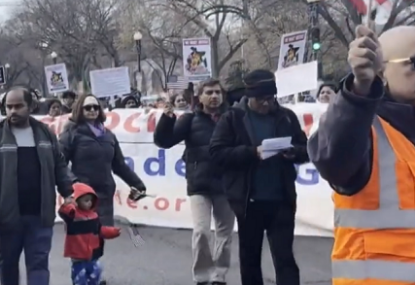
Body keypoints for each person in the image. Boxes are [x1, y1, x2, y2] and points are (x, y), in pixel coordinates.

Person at [308, 25, 415, 284]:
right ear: (381, 71)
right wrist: (359, 90)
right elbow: (333, 160)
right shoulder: (362, 127)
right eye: (413, 63)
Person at [208, 70, 309, 285]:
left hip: (281, 198)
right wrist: (253, 152)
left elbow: (306, 148)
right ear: (249, 97)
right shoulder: (233, 117)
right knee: (250, 259)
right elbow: (217, 153)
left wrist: (295, 153)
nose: (266, 103)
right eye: (261, 99)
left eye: (270, 98)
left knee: (285, 258)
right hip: (249, 201)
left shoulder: (286, 116)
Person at [0, 87, 75, 285]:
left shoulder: (46, 134)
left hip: (40, 214)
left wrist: (68, 193)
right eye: (9, 107)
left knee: (38, 264)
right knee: (8, 263)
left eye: (18, 106)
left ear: (31, 107)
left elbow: (59, 166)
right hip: (6, 215)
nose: (12, 111)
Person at [59, 93, 146, 284]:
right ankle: (82, 278)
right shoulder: (71, 132)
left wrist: (137, 184)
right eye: (87, 107)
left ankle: (93, 275)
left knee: (98, 238)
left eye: (95, 107)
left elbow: (120, 165)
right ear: (79, 110)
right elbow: (60, 162)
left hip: (104, 194)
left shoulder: (108, 135)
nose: (92, 111)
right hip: (82, 197)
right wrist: (74, 184)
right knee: (81, 241)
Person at [154, 79, 234, 285]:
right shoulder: (190, 120)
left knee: (225, 234)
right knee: (201, 232)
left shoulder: (232, 118)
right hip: (200, 184)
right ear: (200, 97)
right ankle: (202, 276)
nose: (214, 96)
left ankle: (219, 276)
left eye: (217, 92)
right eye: (209, 92)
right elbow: (164, 141)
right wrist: (168, 117)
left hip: (227, 183)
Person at [58, 182, 121, 285]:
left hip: (93, 254)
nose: (89, 203)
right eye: (86, 200)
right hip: (78, 256)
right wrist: (69, 205)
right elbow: (64, 213)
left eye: (91, 200)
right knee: (80, 279)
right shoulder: (73, 216)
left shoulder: (94, 216)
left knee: (96, 273)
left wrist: (112, 232)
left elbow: (99, 230)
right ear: (77, 201)